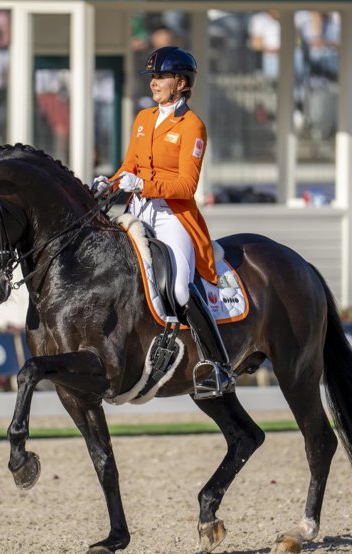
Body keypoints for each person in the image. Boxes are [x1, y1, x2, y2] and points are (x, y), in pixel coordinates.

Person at [93, 46, 235, 398]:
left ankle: (214, 365)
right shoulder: (143, 119)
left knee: (180, 289)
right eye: (153, 77)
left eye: (161, 77)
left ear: (181, 82)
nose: (154, 83)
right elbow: (129, 166)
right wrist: (109, 183)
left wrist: (142, 184)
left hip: (175, 216)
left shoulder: (192, 126)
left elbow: (187, 186)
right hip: (139, 211)